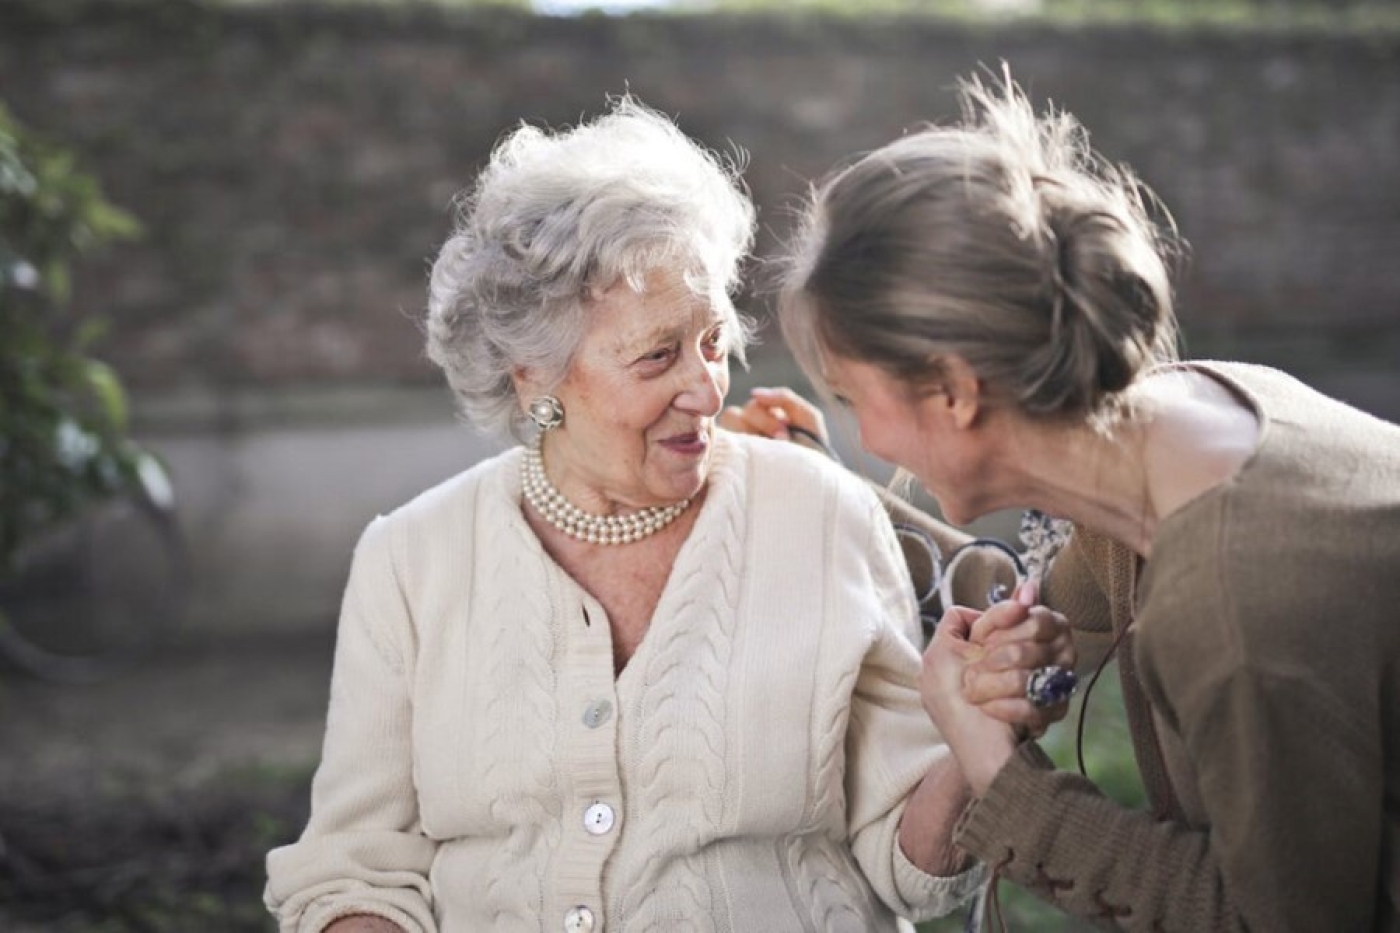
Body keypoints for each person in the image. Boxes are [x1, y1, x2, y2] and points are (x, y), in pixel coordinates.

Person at [262, 97, 1075, 933]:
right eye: (657, 356)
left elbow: (912, 871)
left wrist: (973, 731)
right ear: (533, 376)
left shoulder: (819, 513)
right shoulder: (410, 558)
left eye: (713, 342)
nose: (707, 388)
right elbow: (354, 869)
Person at [760, 67, 1400, 931]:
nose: (866, 437)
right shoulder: (1184, 421)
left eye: (851, 398)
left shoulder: (1231, 601)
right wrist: (811, 480)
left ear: (952, 391)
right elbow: (1030, 602)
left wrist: (1003, 779)